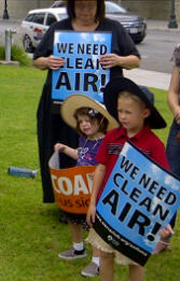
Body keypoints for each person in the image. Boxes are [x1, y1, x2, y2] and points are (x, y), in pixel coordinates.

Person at [33, 0, 140, 204]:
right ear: (71, 6)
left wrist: (118, 59)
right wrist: (47, 61)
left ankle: (98, 199)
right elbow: (37, 60)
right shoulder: (57, 28)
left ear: (99, 6)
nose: (85, 10)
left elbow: (135, 60)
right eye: (80, 5)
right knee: (63, 148)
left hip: (101, 108)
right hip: (62, 107)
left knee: (100, 151)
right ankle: (66, 198)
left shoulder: (114, 28)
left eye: (90, 5)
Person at [87, 77, 169, 281]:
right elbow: (100, 169)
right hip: (108, 209)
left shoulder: (154, 145)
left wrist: (162, 218)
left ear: (145, 113)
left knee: (134, 260)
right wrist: (92, 202)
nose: (122, 116)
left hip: (137, 215)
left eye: (128, 112)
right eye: (119, 111)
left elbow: (163, 184)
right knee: (105, 254)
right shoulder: (112, 136)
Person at [55, 94, 118, 277]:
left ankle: (97, 261)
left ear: (100, 120)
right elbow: (81, 156)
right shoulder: (84, 139)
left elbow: (105, 167)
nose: (84, 124)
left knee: (93, 225)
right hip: (78, 187)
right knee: (71, 216)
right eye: (81, 121)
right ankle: (77, 248)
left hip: (94, 190)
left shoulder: (105, 143)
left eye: (89, 120)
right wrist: (66, 150)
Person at [159, 43, 180, 254]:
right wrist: (176, 110)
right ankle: (164, 238)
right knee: (170, 181)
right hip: (179, 127)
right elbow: (173, 92)